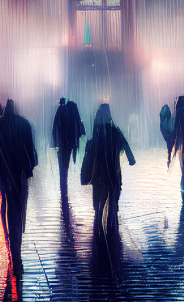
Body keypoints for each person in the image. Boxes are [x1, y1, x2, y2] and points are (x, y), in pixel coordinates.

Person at [0, 99, 38, 275]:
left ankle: (10, 237)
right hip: (19, 171)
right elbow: (31, 151)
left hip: (4, 172)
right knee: (18, 209)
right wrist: (30, 168)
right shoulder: (24, 124)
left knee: (7, 202)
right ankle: (16, 249)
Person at [83, 103, 136, 234]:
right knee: (113, 194)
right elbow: (125, 144)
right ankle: (111, 224)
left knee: (99, 195)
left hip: (99, 172)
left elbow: (92, 150)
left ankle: (98, 218)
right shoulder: (114, 131)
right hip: (113, 170)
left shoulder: (97, 132)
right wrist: (131, 159)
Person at [51, 98, 85, 196]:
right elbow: (80, 128)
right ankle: (64, 188)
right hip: (70, 143)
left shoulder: (60, 111)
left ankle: (63, 188)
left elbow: (55, 127)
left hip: (61, 144)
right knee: (65, 165)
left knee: (62, 167)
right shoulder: (73, 110)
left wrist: (55, 144)